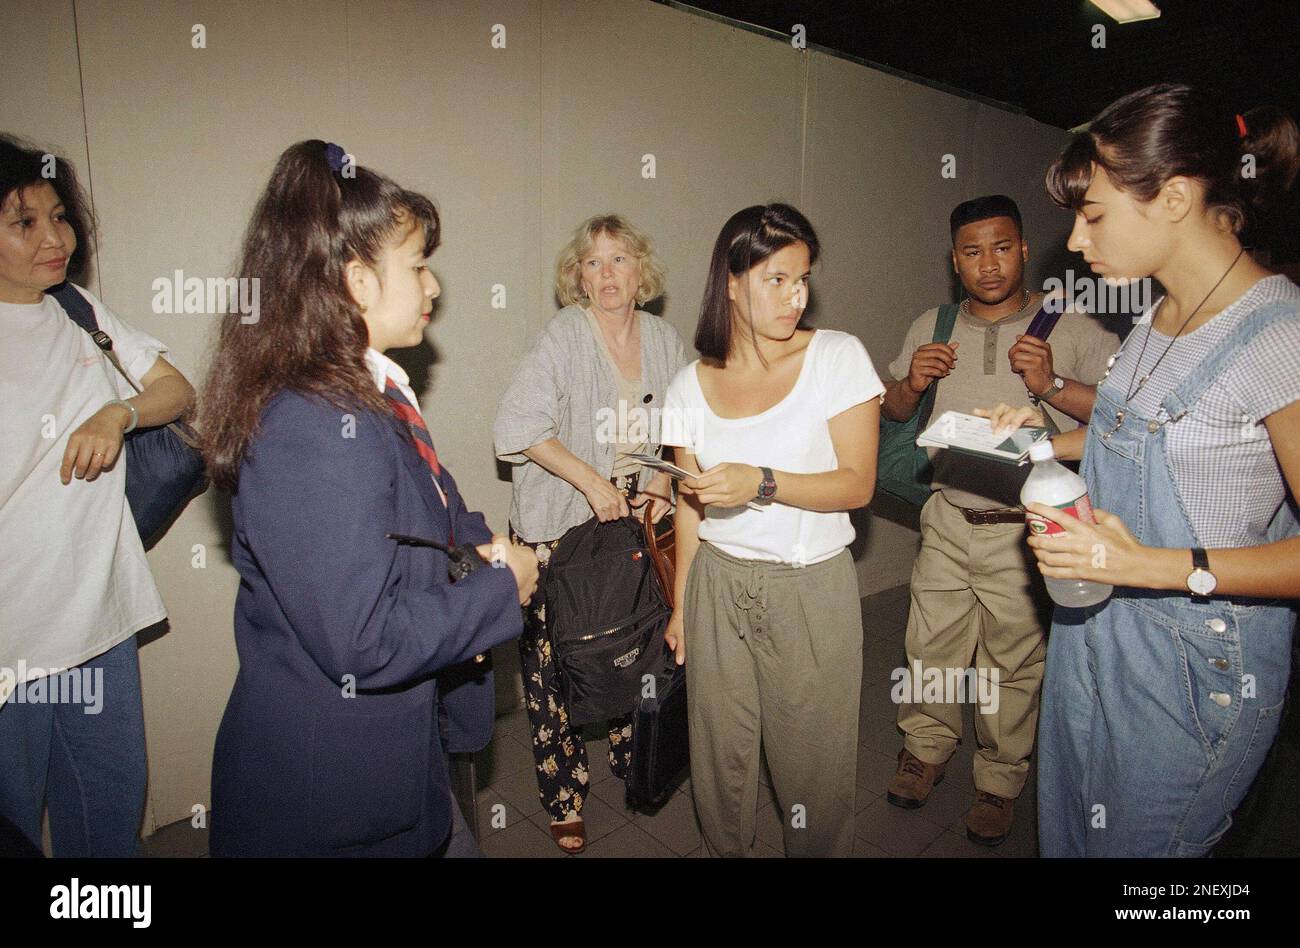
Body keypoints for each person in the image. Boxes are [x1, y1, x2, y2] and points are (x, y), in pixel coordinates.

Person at [983, 85, 1300, 856]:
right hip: (1094, 630)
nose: (1079, 239)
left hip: (1195, 664)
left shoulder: (1278, 336)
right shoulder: (1157, 318)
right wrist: (1045, 439)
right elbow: (1144, 440)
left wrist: (1149, 564)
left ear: (1175, 198)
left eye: (1093, 214)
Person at [201, 141, 537, 857]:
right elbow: (362, 642)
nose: (433, 286)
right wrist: (503, 587)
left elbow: (430, 513)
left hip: (397, 764)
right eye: (416, 266)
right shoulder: (315, 424)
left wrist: (481, 545)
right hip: (331, 803)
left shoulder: (366, 392)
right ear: (356, 281)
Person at [879, 195, 1118, 846]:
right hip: (950, 515)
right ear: (955, 261)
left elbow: (1127, 416)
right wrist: (911, 382)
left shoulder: (1065, 321)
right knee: (929, 643)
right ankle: (924, 749)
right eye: (973, 251)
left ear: (1022, 247)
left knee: (1013, 659)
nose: (989, 264)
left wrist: (1054, 386)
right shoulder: (936, 321)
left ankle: (1000, 779)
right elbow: (897, 411)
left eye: (1003, 246)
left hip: (1027, 528)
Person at [660, 203, 881, 857]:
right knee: (718, 760)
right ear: (732, 281)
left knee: (813, 766)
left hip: (808, 587)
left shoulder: (836, 357)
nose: (795, 296)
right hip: (717, 587)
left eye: (802, 279)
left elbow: (857, 482)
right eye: (775, 279)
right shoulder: (687, 386)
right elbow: (689, 508)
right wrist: (680, 609)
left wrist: (762, 480)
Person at [0, 135, 195, 856]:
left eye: (59, 216)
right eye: (25, 223)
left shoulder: (76, 308)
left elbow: (175, 390)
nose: (54, 238)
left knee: (109, 815)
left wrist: (118, 412)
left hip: (98, 620)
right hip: (11, 641)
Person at [493, 213, 686, 853]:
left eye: (619, 260)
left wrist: (662, 482)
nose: (607, 274)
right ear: (579, 276)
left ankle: (633, 760)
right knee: (557, 664)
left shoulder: (663, 338)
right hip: (560, 532)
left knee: (635, 641)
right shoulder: (563, 337)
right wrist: (593, 482)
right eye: (593, 263)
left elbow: (682, 427)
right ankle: (563, 795)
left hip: (635, 526)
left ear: (642, 273)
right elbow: (514, 428)